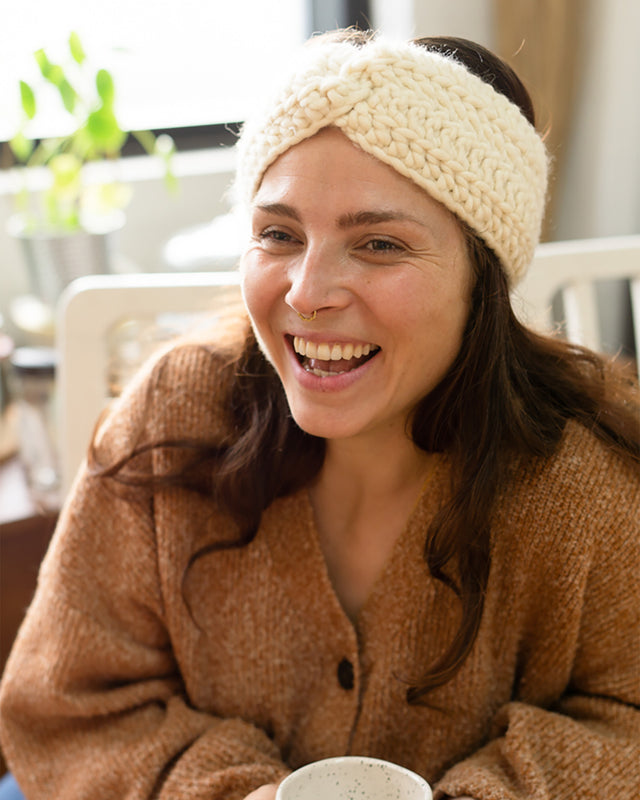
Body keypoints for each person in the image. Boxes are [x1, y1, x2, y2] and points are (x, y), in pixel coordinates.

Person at [0, 28, 638, 800]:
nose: (306, 292)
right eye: (278, 234)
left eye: (379, 244)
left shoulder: (589, 479)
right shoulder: (170, 416)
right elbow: (62, 708)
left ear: (484, 277)